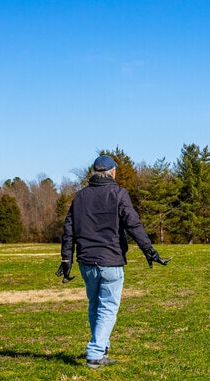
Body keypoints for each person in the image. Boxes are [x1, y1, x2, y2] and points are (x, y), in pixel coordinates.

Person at [56, 155, 171, 368]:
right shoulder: (119, 194)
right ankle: (95, 353)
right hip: (111, 261)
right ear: (113, 172)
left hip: (87, 261)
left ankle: (102, 347)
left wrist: (66, 259)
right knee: (108, 307)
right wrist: (150, 250)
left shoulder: (80, 196)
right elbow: (133, 224)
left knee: (95, 305)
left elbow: (68, 230)